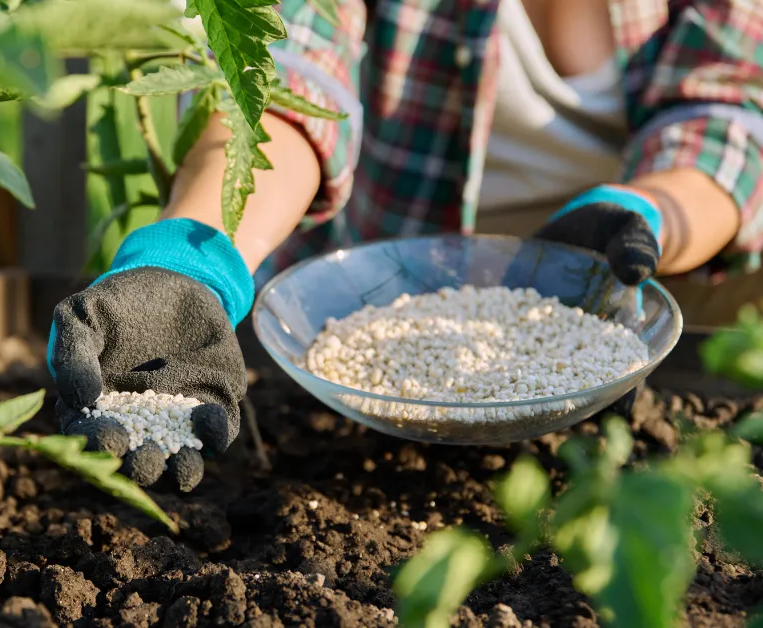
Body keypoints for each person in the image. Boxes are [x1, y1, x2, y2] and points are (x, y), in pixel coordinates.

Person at [48, 0, 763, 491]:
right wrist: (195, 259)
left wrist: (645, 212)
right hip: (360, 315)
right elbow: (286, 70)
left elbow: (727, 107)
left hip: (616, 309)